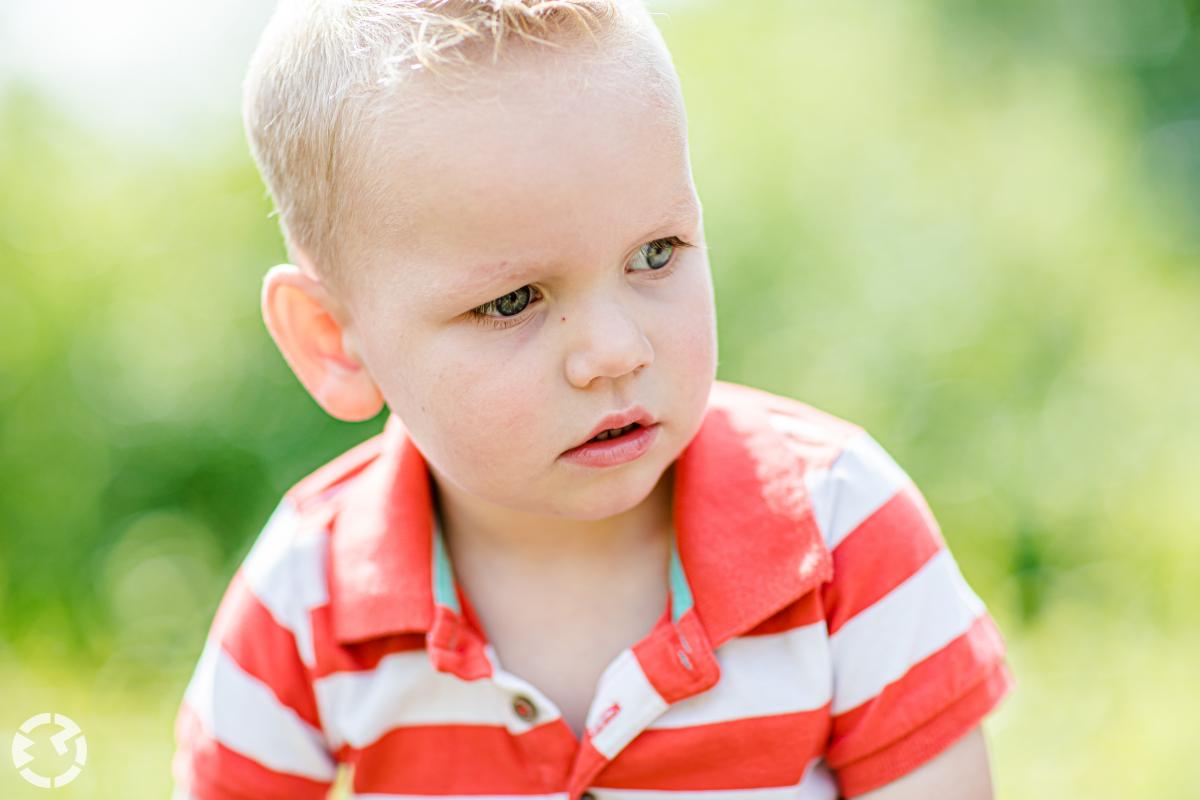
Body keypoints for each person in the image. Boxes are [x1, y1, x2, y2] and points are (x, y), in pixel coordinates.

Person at [171, 1, 1014, 797]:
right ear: (335, 342)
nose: (615, 351)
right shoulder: (306, 599)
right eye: (513, 301)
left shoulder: (840, 534)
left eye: (656, 253)